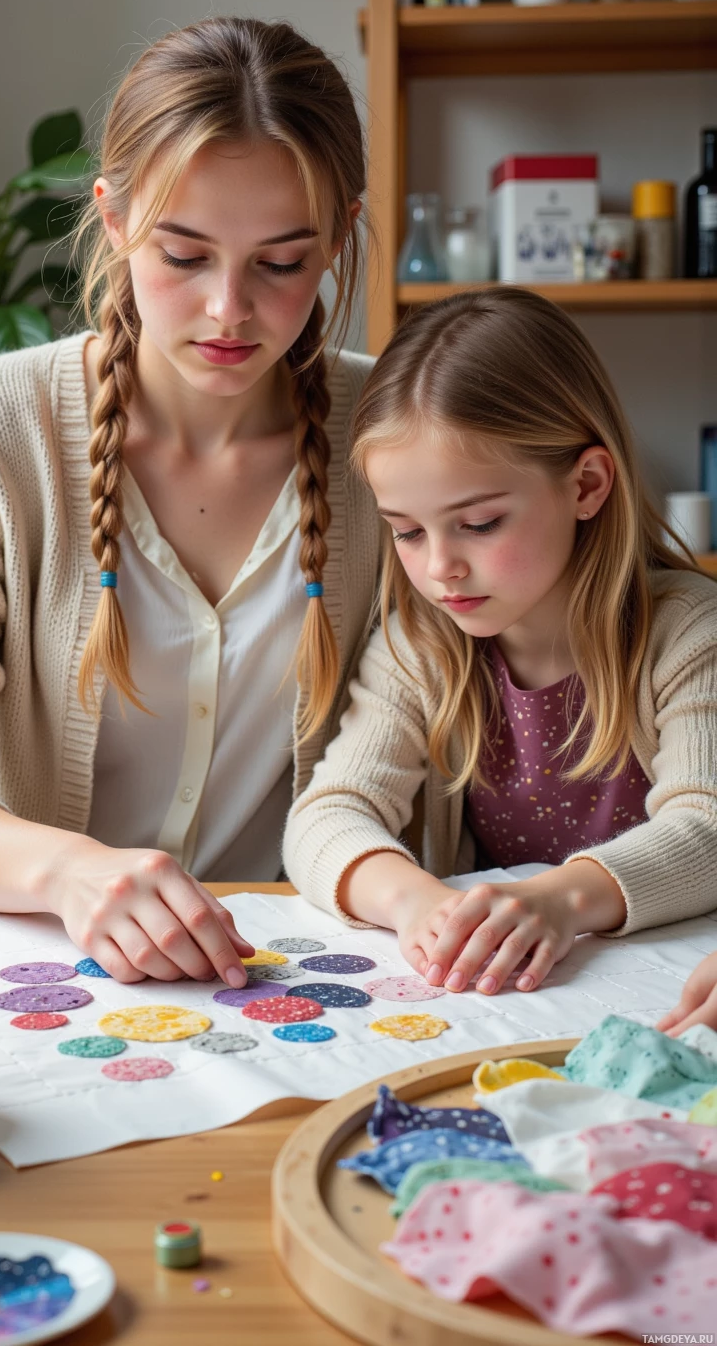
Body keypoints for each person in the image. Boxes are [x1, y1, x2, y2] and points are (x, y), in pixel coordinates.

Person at [0, 17, 383, 986]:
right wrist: (70, 874)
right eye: (183, 255)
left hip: (317, 989)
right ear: (115, 218)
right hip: (56, 980)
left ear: (341, 235)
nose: (229, 309)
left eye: (282, 261)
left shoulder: (398, 436)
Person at [284, 288, 717, 997]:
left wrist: (559, 900)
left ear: (586, 484)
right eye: (407, 530)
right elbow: (328, 813)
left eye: (479, 523)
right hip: (513, 1001)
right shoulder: (421, 646)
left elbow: (707, 829)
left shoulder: (690, 632)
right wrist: (413, 902)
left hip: (666, 987)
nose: (438, 567)